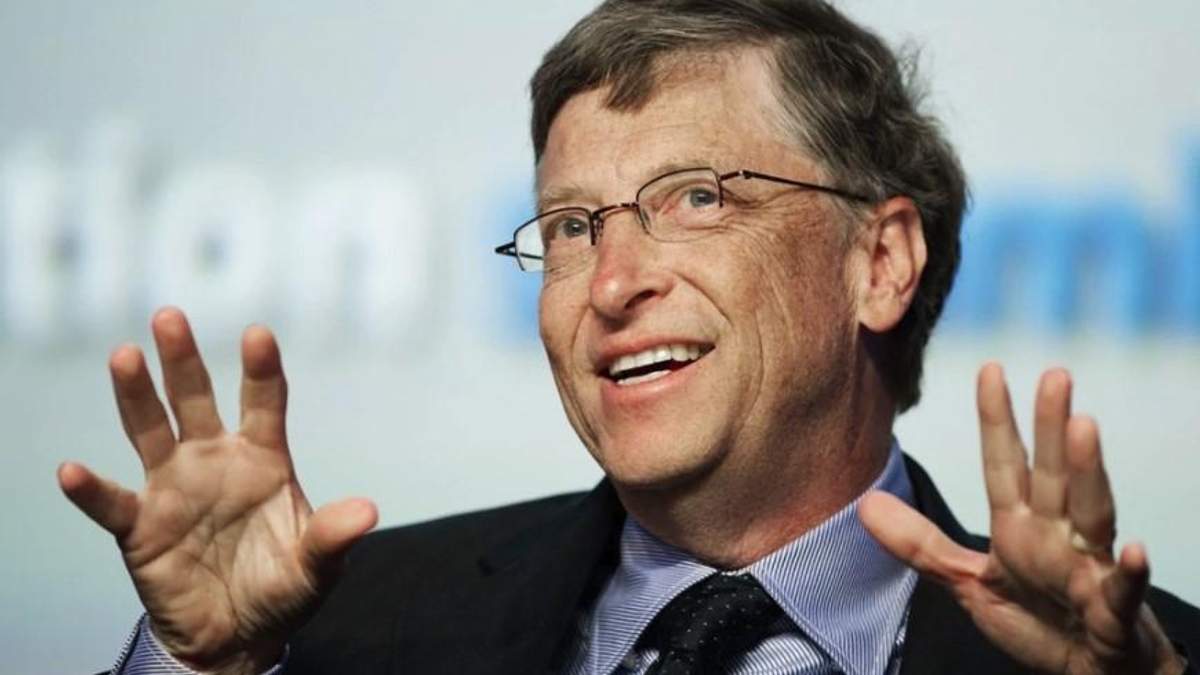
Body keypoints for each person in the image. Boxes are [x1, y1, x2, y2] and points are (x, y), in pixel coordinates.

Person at [61, 1, 1198, 673]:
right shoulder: (344, 628)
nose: (610, 283)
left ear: (880, 262)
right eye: (571, 225)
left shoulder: (1130, 662)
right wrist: (202, 667)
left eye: (696, 197)